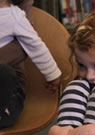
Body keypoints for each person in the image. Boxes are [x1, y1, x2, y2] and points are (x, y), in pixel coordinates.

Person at [0, 0, 62, 128]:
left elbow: (35, 45)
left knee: (4, 72)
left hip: (9, 98)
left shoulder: (14, 16)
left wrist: (52, 74)